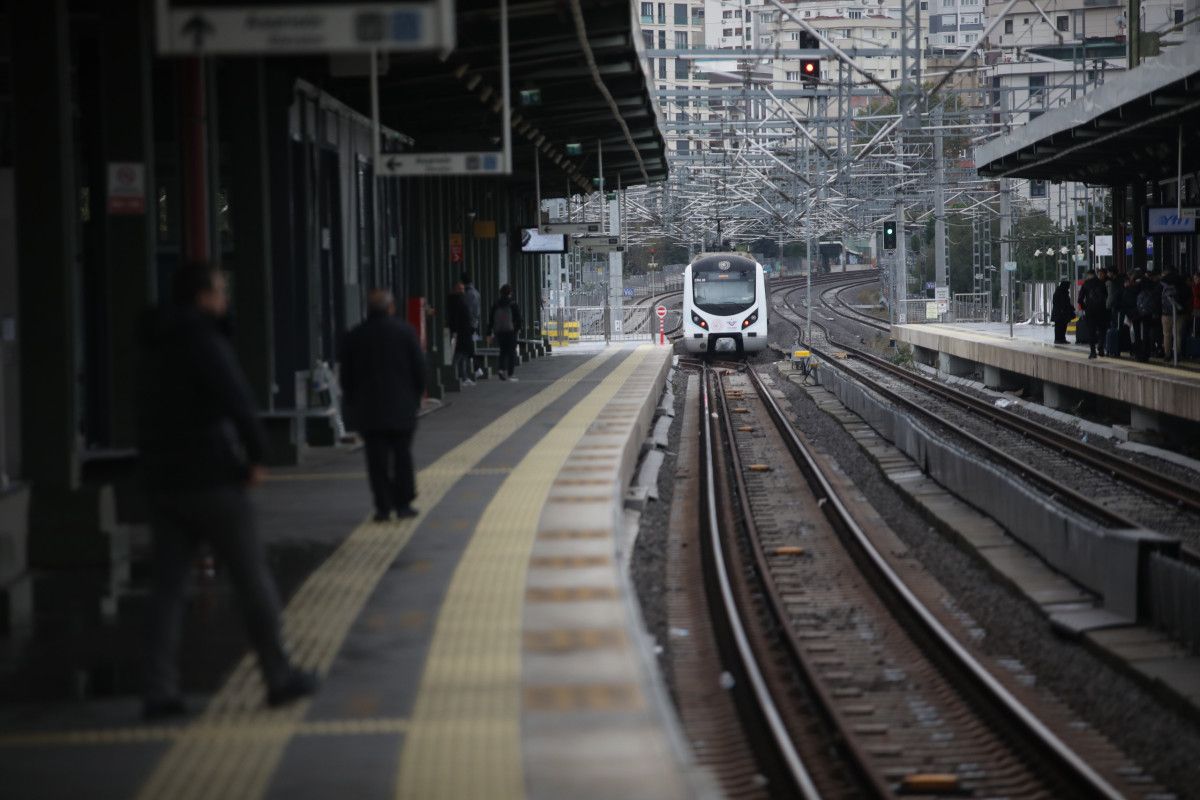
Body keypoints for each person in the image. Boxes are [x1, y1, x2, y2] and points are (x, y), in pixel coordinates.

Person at [139, 261, 316, 720]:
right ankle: (278, 677)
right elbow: (237, 398)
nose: (225, 299)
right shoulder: (204, 340)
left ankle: (159, 692)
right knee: (251, 578)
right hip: (212, 477)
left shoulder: (153, 341)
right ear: (202, 296)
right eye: (220, 291)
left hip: (163, 481)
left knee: (167, 589)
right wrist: (257, 456)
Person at [340, 288, 426, 522]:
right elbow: (419, 368)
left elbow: (346, 377)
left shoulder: (355, 336)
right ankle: (404, 503)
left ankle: (382, 506)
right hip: (402, 407)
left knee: (376, 459)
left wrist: (352, 402)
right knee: (402, 455)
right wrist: (416, 396)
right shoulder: (405, 332)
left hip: (369, 410)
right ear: (391, 308)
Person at [489, 284, 523, 381]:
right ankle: (510, 374)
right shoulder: (512, 304)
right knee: (512, 352)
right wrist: (517, 329)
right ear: (510, 293)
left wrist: (489, 332)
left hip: (499, 331)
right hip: (511, 331)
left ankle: (501, 370)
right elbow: (518, 318)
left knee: (503, 351)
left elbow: (491, 319)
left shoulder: (496, 304)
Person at [446, 281, 475, 387]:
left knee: (463, 354)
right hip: (460, 332)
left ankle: (463, 377)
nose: (462, 291)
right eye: (460, 289)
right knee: (459, 354)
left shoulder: (459, 300)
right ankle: (454, 376)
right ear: (455, 290)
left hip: (464, 331)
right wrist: (456, 331)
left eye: (463, 289)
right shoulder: (456, 301)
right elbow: (456, 318)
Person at [1077, 268, 1108, 359]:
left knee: (1091, 331)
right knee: (1102, 329)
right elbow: (1106, 296)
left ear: (1088, 275)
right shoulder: (1101, 283)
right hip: (1101, 310)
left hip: (1090, 311)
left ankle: (1092, 352)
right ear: (1095, 274)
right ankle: (1101, 348)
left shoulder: (1085, 284)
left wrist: (1084, 307)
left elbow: (1080, 299)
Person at [1161, 268, 1189, 362]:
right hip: (1180, 313)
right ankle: (1177, 353)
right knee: (1177, 334)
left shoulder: (1163, 283)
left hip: (1166, 313)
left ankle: (1167, 354)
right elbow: (1188, 296)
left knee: (1166, 334)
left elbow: (1158, 297)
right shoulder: (1181, 283)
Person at [461, 273, 483, 378]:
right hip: (474, 323)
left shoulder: (468, 294)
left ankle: (476, 368)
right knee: (467, 347)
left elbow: (468, 311)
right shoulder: (475, 292)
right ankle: (475, 368)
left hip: (468, 324)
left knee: (467, 347)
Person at [1051, 280, 1073, 344]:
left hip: (1063, 313)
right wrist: (1062, 309)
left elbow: (1066, 302)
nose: (1069, 287)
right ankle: (1058, 339)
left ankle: (1062, 339)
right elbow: (1057, 302)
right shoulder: (1059, 292)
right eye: (1068, 286)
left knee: (1063, 326)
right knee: (1059, 327)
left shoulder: (1064, 292)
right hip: (1059, 313)